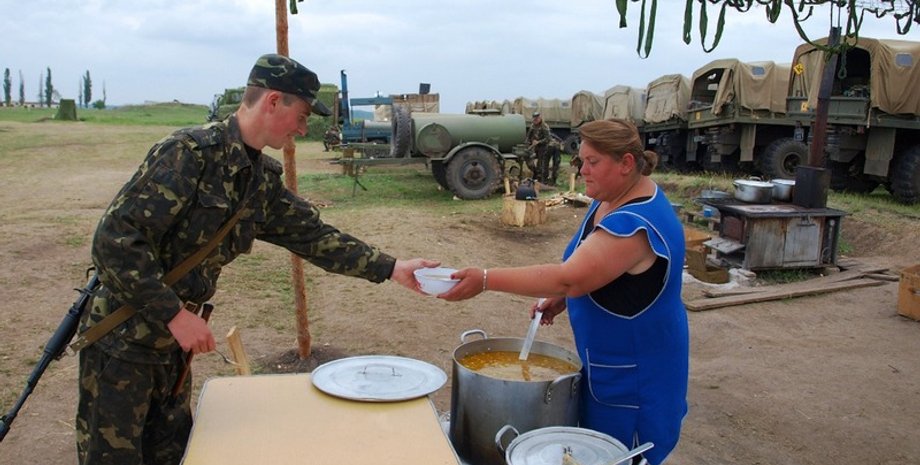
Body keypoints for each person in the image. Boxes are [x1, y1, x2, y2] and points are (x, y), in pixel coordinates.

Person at [75, 53, 439, 465]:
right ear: (272, 101)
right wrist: (175, 315)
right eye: (301, 115)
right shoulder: (187, 155)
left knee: (173, 454)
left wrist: (392, 268)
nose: (303, 129)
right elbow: (115, 242)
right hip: (124, 343)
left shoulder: (258, 180)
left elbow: (313, 236)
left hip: (172, 350)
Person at [440, 118, 689, 465]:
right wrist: (567, 297)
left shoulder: (635, 226)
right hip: (607, 373)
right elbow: (597, 274)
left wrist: (484, 279)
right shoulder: (609, 199)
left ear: (626, 163)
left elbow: (569, 278)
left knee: (619, 457)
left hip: (634, 387)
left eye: (593, 162)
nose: (583, 170)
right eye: (580, 161)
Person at [525, 112, 552, 183]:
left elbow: (548, 138)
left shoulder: (544, 126)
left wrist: (538, 142)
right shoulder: (532, 126)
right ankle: (534, 173)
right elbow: (528, 136)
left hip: (542, 147)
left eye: (537, 118)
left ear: (540, 118)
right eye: (534, 118)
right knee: (529, 162)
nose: (535, 119)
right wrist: (527, 143)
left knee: (540, 164)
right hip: (534, 147)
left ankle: (541, 180)